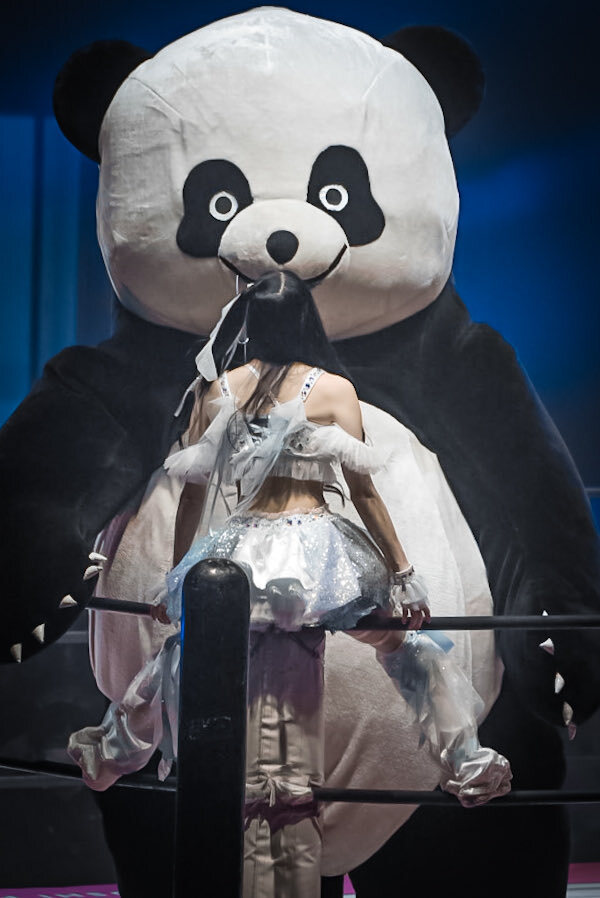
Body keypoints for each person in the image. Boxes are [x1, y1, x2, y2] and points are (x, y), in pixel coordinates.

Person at [69, 270, 511, 897]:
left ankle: (118, 747)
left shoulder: (220, 390)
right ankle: (462, 755)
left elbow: (192, 496)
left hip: (244, 549)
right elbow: (364, 492)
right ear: (306, 319)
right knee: (400, 646)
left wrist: (180, 572)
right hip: (316, 550)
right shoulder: (331, 389)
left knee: (185, 652)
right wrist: (403, 571)